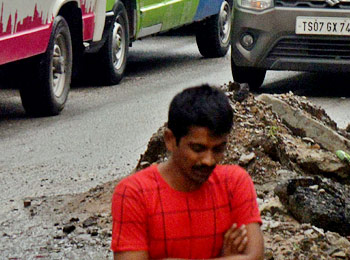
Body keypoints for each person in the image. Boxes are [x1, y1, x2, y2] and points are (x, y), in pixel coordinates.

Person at [112, 84, 264, 260]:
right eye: (198, 149)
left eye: (218, 149)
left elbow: (255, 255)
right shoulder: (135, 193)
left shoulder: (235, 182)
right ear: (170, 140)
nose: (209, 160)